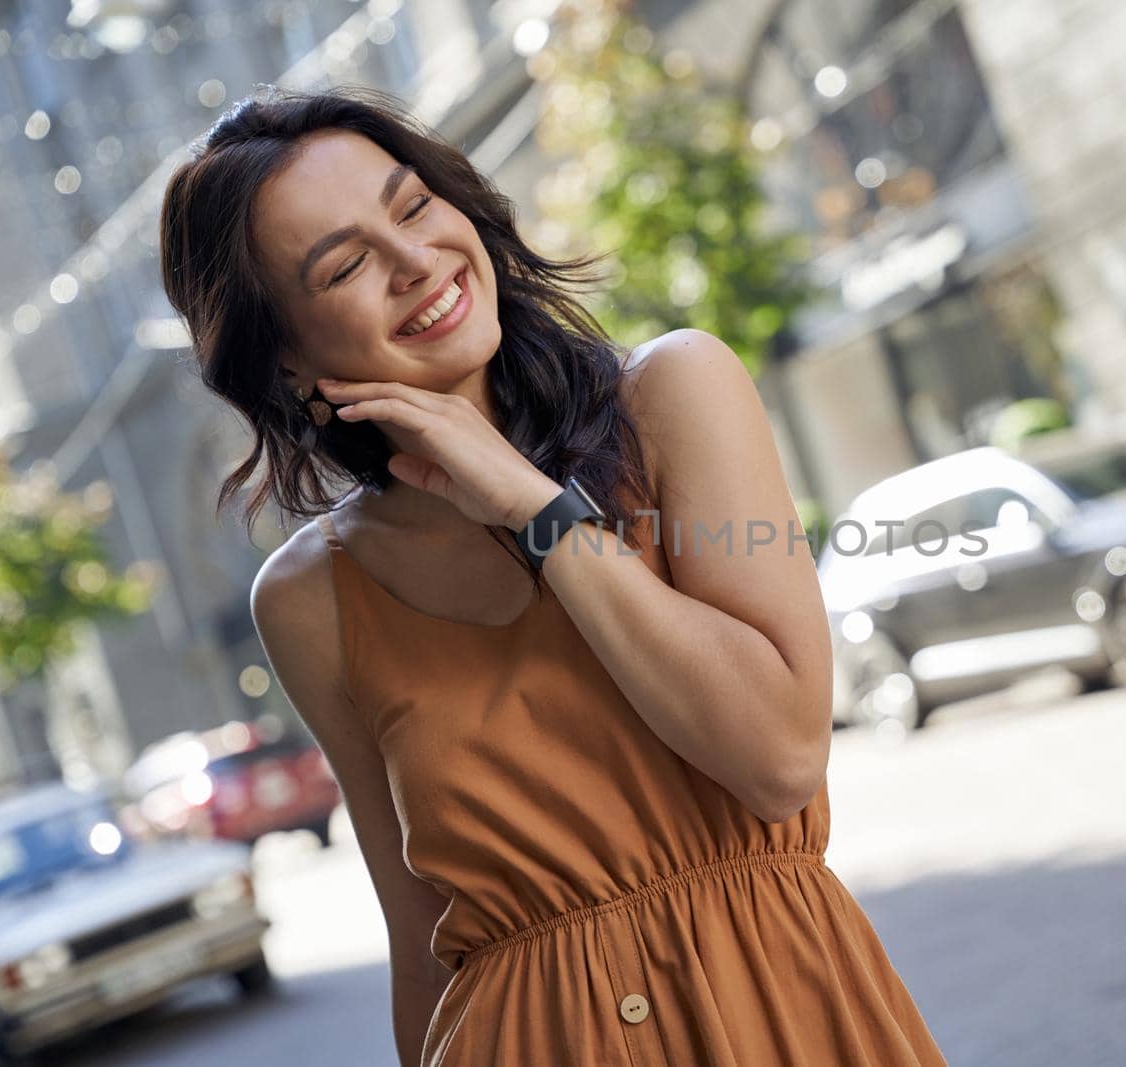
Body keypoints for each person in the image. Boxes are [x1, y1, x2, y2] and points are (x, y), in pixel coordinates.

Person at [158, 84, 947, 1067]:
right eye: (348, 263)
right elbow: (422, 942)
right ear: (283, 355)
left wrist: (534, 510)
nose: (413, 262)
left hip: (783, 1022)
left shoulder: (673, 398)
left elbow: (779, 755)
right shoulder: (312, 593)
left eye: (412, 207)